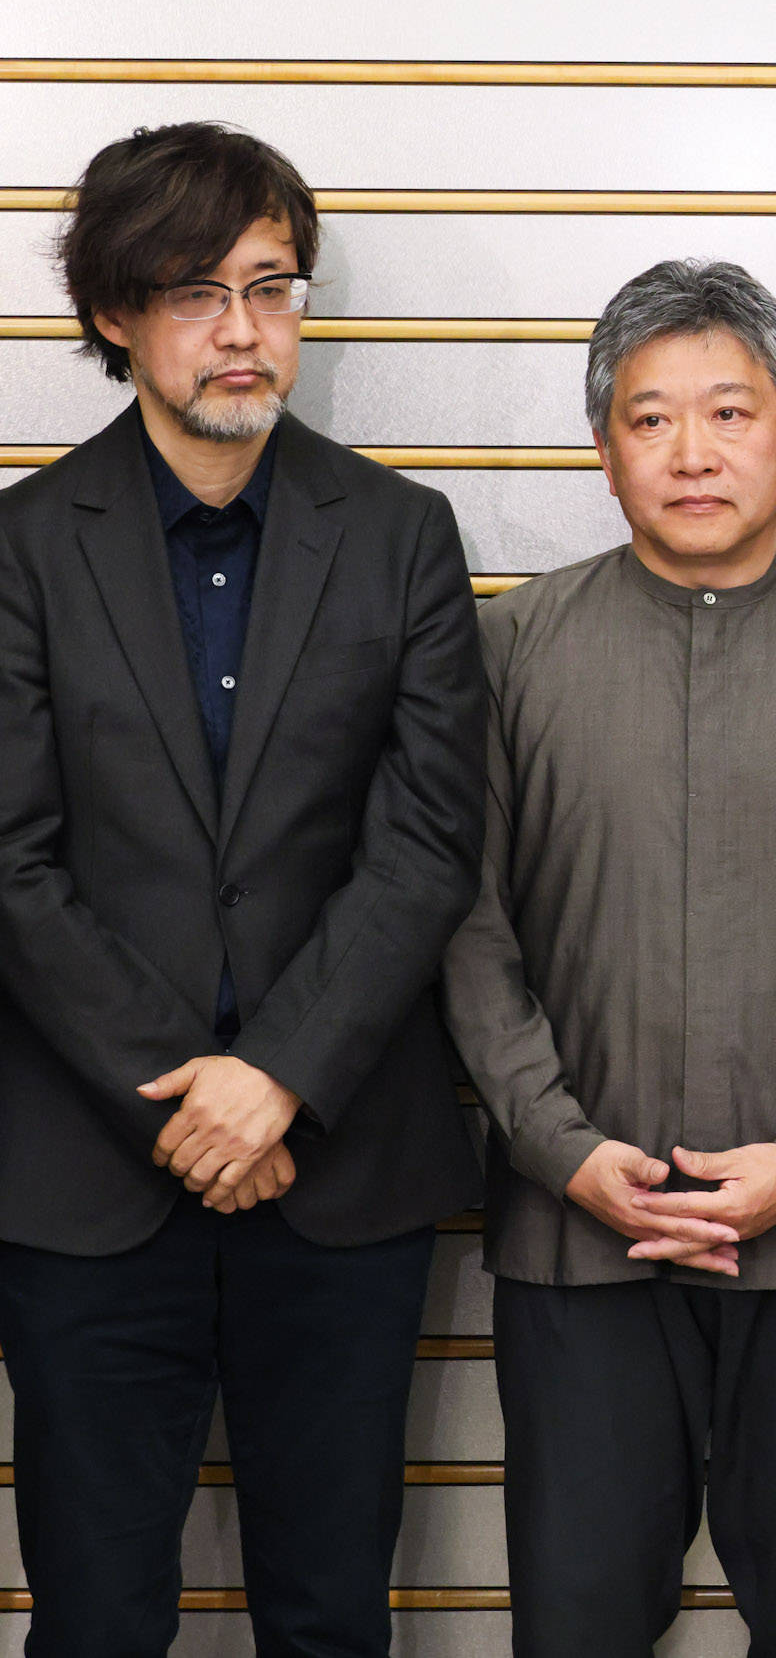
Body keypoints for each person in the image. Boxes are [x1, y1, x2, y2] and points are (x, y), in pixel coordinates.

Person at [440, 259, 776, 1658]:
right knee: (575, 1623)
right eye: (651, 418)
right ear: (603, 447)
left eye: (730, 413)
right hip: (578, 1236)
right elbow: (462, 924)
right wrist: (562, 1149)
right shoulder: (505, 655)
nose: (692, 452)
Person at [0, 121, 487, 1655]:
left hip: (336, 1170)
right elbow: (10, 859)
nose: (242, 329)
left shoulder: (402, 536)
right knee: (93, 1616)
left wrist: (275, 1075)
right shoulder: (21, 547)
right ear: (113, 312)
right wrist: (184, 1095)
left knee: (333, 1612)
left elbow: (426, 841)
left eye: (273, 286)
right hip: (86, 1173)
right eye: (197, 289)